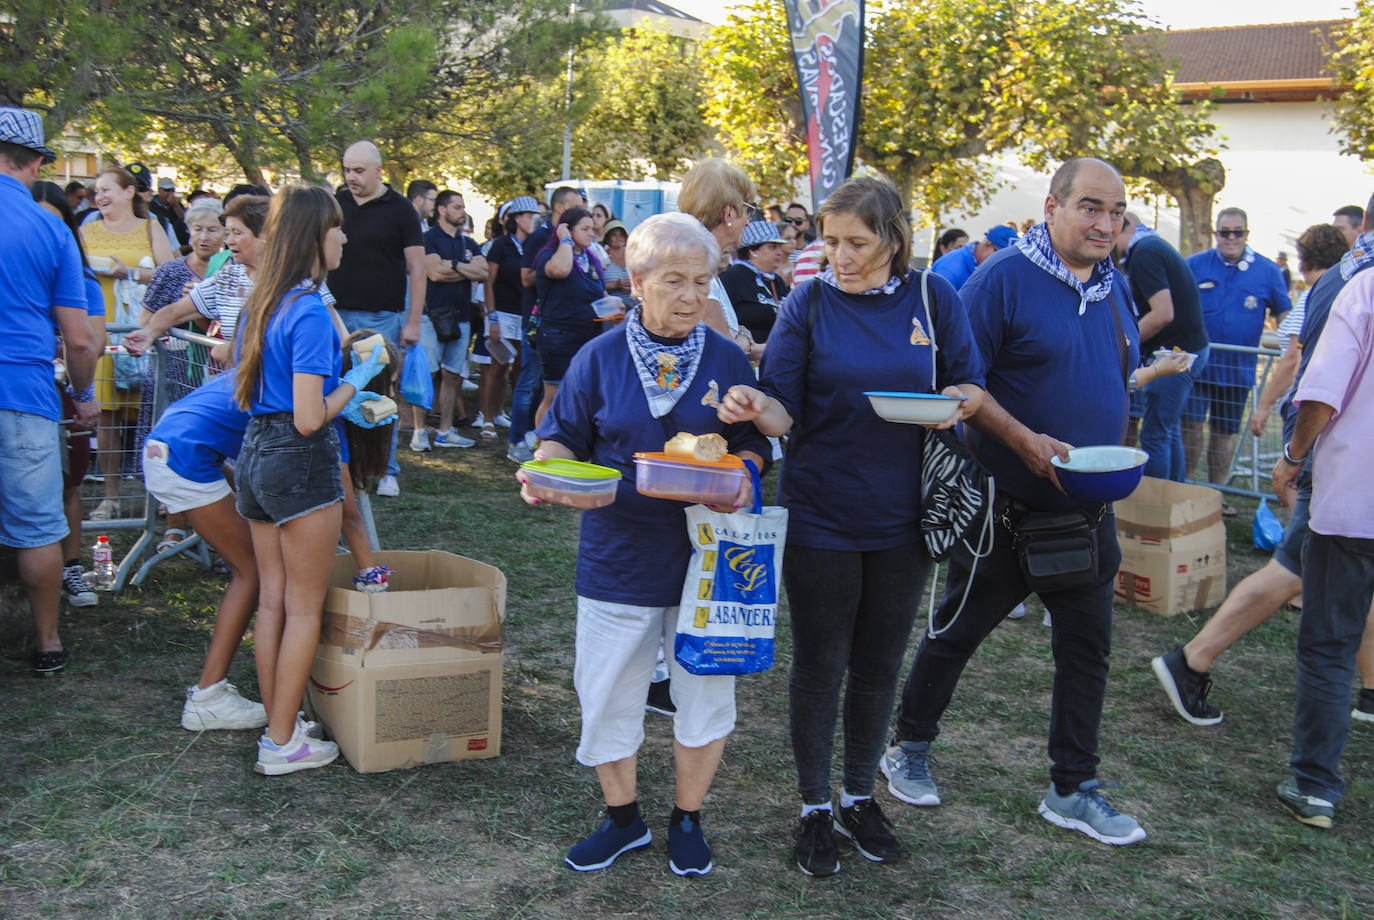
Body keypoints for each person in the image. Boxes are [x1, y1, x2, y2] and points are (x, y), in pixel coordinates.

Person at [720, 175, 985, 876]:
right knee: (820, 663)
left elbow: (970, 383)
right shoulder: (807, 302)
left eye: (856, 243)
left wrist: (956, 400)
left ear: (894, 241)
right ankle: (813, 808)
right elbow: (784, 409)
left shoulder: (935, 297)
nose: (838, 255)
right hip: (822, 512)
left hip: (906, 517)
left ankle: (860, 795)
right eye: (830, 240)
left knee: (877, 664)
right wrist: (754, 404)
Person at [886, 158, 1147, 847]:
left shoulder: (1115, 285)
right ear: (1053, 206)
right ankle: (907, 745)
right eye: (1091, 207)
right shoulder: (1000, 280)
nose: (1105, 223)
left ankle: (1072, 787)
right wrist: (1023, 439)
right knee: (956, 634)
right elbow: (953, 383)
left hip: (1089, 509)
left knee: (1088, 650)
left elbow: (1118, 375)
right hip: (1001, 506)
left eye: (1116, 211)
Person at [516, 212, 769, 876]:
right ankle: (623, 820)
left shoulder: (725, 357)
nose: (690, 296)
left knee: (706, 695)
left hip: (710, 561)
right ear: (636, 279)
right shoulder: (597, 359)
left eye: (701, 281)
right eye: (674, 280)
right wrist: (546, 473)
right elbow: (563, 437)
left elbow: (754, 441)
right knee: (607, 694)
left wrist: (743, 475)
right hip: (617, 555)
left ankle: (688, 818)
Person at [1151, 208, 1374, 728]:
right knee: (1291, 568)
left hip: (1338, 455)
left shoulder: (1347, 275)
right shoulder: (1356, 280)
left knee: (1340, 571)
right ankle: (1191, 660)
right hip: (1336, 455)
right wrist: (1293, 451)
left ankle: (1370, 691)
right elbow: (1302, 363)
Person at [231, 184, 394, 775]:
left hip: (255, 456)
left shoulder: (264, 300)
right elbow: (307, 418)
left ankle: (282, 720)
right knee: (302, 610)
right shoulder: (304, 310)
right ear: (313, 237)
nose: (345, 236)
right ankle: (281, 742)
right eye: (337, 228)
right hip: (297, 462)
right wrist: (359, 380)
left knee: (273, 604)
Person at [1270, 235, 1374, 830]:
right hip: (1354, 505)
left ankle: (1314, 784)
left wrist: (1292, 454)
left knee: (1330, 647)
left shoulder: (1363, 288)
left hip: (1354, 504)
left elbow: (1320, 395)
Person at [0, 106, 100, 674]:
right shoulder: (50, 227)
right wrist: (83, 396)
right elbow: (80, 339)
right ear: (37, 162)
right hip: (25, 393)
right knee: (38, 525)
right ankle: (47, 642)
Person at [327, 141, 424, 498]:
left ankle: (385, 469)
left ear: (379, 170)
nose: (351, 177)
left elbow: (417, 269)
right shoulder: (336, 204)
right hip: (335, 314)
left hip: (383, 316)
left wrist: (413, 321)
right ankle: (347, 466)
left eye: (359, 170)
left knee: (379, 392)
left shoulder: (400, 209)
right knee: (336, 389)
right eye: (347, 170)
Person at [131, 195, 228, 550]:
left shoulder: (229, 270)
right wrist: (163, 331)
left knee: (215, 451)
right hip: (174, 374)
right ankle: (173, 525)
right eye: (198, 229)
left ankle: (217, 530)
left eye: (213, 230)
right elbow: (147, 319)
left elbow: (220, 327)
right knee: (174, 447)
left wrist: (200, 311)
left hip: (217, 375)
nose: (205, 237)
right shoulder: (171, 271)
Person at [80, 165, 176, 521]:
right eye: (96, 192)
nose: (100, 197)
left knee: (152, 417)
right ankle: (111, 496)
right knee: (107, 418)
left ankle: (162, 497)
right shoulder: (85, 230)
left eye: (106, 189)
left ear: (128, 191)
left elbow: (170, 273)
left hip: (144, 331)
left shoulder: (151, 227)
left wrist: (128, 272)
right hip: (102, 331)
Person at [30, 180, 105, 611]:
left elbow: (89, 340)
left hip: (64, 392)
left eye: (53, 222)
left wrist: (84, 392)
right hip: (26, 387)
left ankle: (72, 566)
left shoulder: (81, 275)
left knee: (69, 484)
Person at [1183, 207, 1289, 507]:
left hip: (1238, 370)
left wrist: (1291, 343)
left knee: (1223, 432)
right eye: (1224, 232)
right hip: (1197, 365)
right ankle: (1189, 487)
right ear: (1215, 234)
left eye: (1237, 232)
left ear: (1247, 234)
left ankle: (1217, 494)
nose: (1231, 238)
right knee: (1189, 425)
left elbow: (1284, 311)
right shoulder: (1193, 265)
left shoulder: (1268, 271)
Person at [1112, 212, 1210, 481]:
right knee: (1167, 429)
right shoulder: (1153, 246)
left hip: (1175, 353)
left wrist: (1122, 344)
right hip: (1186, 349)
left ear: (1123, 227)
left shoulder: (1145, 252)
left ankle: (1156, 503)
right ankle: (1173, 494)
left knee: (1155, 433)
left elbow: (1162, 314)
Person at [511, 188, 580, 452]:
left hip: (565, 325)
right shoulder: (539, 238)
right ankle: (516, 440)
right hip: (538, 323)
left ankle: (537, 437)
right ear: (561, 209)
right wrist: (548, 268)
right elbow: (526, 277)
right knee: (528, 382)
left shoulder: (574, 244)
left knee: (546, 389)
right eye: (576, 207)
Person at [677, 158, 760, 353]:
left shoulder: (702, 260)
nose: (748, 222)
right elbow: (726, 351)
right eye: (748, 211)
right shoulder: (698, 267)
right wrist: (744, 338)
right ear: (729, 213)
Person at [533, 207, 606, 425]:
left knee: (581, 395)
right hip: (558, 336)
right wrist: (564, 240)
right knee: (554, 395)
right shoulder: (551, 256)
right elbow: (561, 270)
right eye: (584, 229)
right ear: (567, 229)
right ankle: (541, 447)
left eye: (592, 229)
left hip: (587, 335)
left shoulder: (590, 259)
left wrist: (613, 305)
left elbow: (599, 292)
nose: (591, 233)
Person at [423, 190, 482, 449]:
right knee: (427, 373)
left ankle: (445, 431)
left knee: (453, 376)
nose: (462, 211)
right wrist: (465, 270)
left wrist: (454, 266)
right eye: (457, 207)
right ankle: (418, 430)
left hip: (462, 317)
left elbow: (484, 272)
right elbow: (434, 272)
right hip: (431, 315)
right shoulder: (428, 239)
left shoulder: (469, 243)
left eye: (463, 206)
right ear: (442, 210)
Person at [485, 197, 539, 459]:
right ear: (517, 218)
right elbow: (488, 282)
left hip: (524, 313)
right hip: (503, 312)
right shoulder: (500, 245)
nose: (535, 220)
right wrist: (491, 316)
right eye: (530, 215)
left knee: (521, 368)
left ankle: (506, 416)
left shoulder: (535, 245)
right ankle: (487, 418)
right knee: (498, 367)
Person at [718, 219, 790, 345]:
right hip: (748, 358)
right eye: (773, 247)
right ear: (753, 250)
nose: (780, 252)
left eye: (780, 247)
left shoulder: (776, 280)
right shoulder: (732, 278)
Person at [930, 225, 1018, 291]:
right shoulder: (950, 268)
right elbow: (941, 308)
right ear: (988, 244)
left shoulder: (981, 265)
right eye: (1001, 255)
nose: (1003, 262)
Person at [600, 219, 634, 315]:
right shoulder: (601, 257)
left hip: (632, 311)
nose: (618, 238)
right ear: (607, 238)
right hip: (611, 312)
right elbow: (595, 285)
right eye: (614, 235)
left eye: (621, 235)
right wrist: (615, 285)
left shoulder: (634, 256)